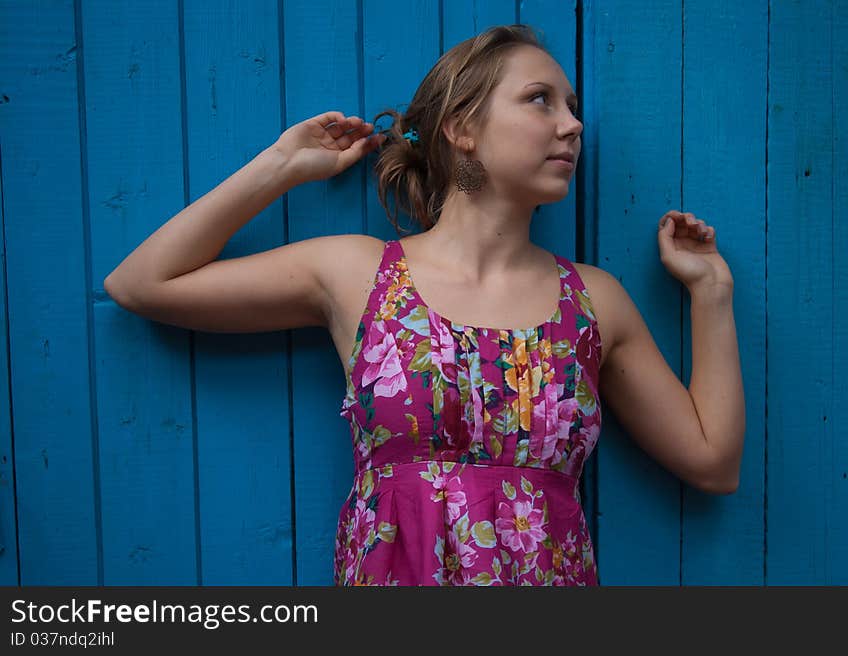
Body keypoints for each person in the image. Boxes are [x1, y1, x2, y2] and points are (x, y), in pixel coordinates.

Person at [104, 24, 745, 586]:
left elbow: (713, 462)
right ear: (461, 128)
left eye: (573, 107)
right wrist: (282, 165)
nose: (573, 125)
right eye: (539, 100)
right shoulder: (360, 275)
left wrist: (711, 290)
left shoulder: (593, 302)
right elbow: (141, 284)